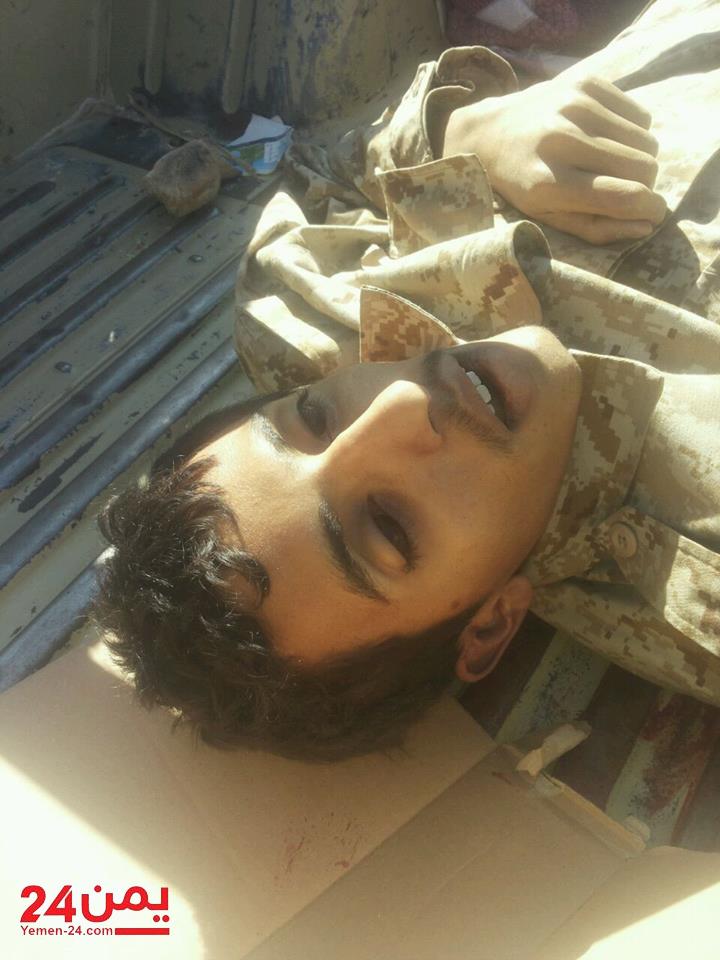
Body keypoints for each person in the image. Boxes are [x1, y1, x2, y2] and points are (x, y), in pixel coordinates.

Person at [95, 0, 720, 760]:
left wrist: (467, 130)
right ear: (489, 624)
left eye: (314, 417)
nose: (398, 401)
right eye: (389, 526)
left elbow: (330, 162)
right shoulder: (694, 572)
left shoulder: (296, 309)